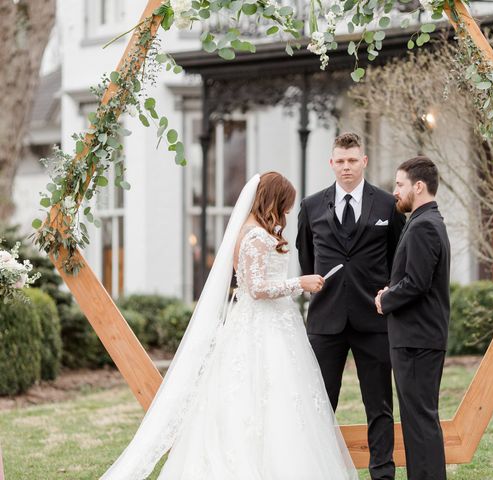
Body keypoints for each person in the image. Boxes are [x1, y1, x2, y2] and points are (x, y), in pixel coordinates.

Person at [102, 172, 357, 480]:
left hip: (271, 325)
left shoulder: (255, 231)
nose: (287, 213)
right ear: (272, 200)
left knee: (279, 401)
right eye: (285, 205)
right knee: (263, 396)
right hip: (263, 328)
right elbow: (256, 289)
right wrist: (298, 283)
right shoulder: (254, 237)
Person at [297, 132, 405, 480]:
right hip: (325, 321)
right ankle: (318, 471)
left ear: (364, 162)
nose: (346, 167)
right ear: (332, 163)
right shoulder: (311, 206)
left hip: (373, 319)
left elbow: (397, 257)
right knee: (319, 405)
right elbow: (307, 258)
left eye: (352, 160)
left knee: (379, 405)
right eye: (340, 161)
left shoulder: (387, 205)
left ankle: (383, 473)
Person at [375, 157, 451, 480]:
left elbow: (417, 284)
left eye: (400, 185)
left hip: (417, 341)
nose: (395, 192)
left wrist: (385, 299)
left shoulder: (423, 227)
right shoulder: (425, 222)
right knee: (418, 422)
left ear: (418, 186)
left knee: (420, 424)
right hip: (417, 339)